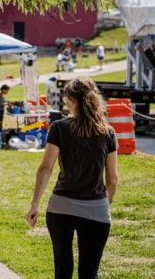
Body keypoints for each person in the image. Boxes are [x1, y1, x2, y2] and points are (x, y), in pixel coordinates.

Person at [25, 77, 118, 279]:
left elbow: (45, 168)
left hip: (60, 207)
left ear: (70, 100)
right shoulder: (108, 132)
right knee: (89, 273)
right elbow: (112, 179)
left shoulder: (59, 127)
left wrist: (35, 204)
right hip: (96, 209)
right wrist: (104, 206)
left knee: (63, 270)